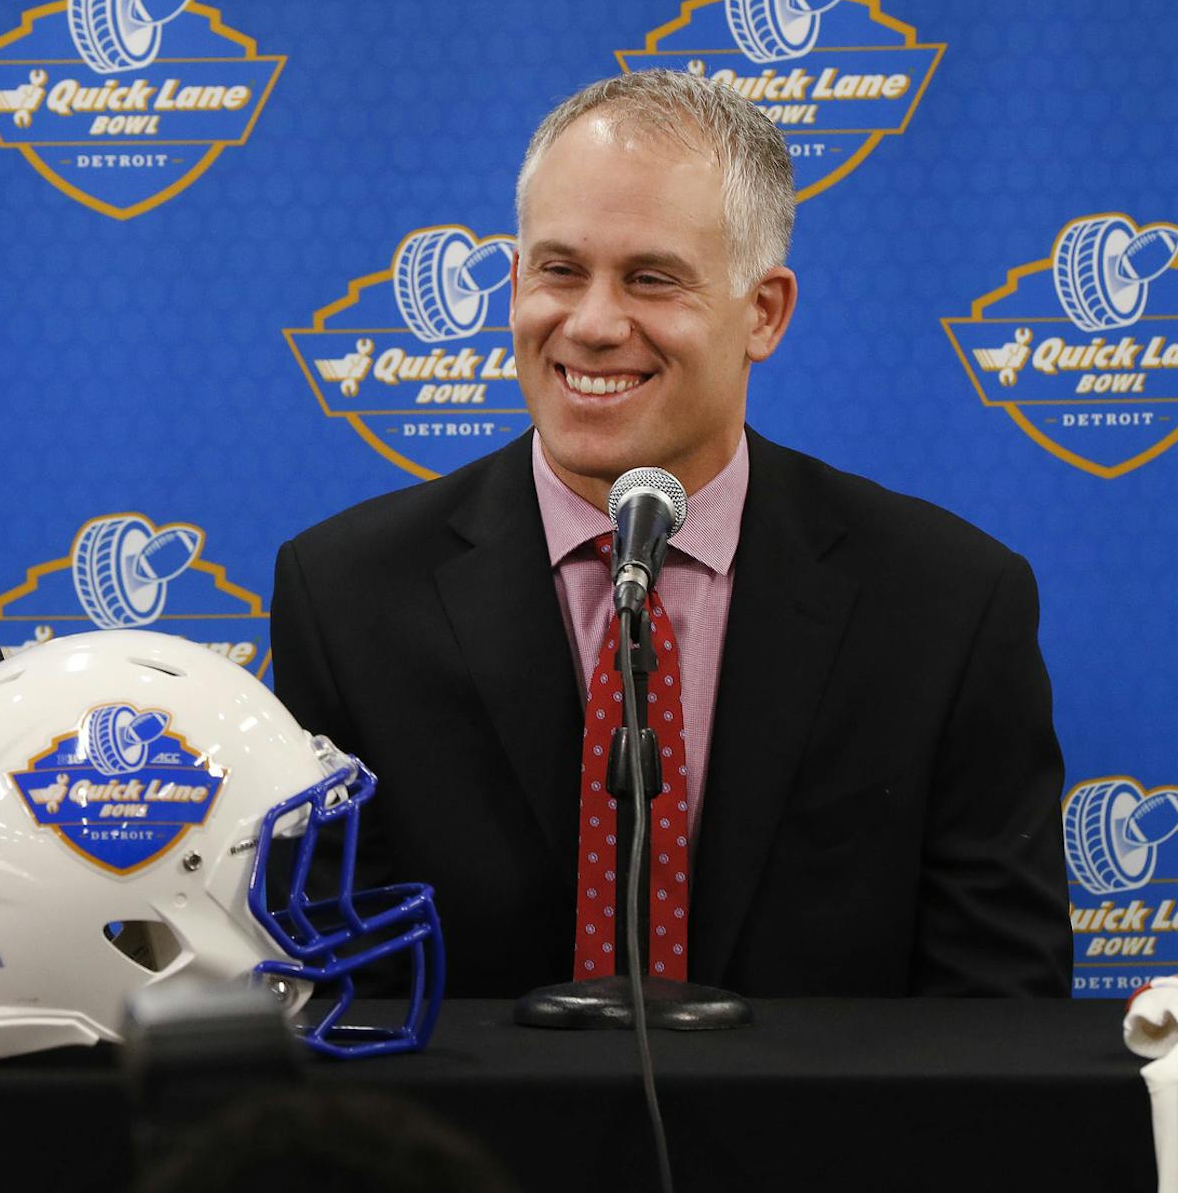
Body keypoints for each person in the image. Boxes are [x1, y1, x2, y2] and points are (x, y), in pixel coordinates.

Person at [271, 70, 1070, 997]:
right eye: (559, 270)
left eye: (652, 280)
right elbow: (333, 987)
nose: (594, 323)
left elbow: (998, 1016)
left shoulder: (948, 604)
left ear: (762, 312)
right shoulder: (348, 594)